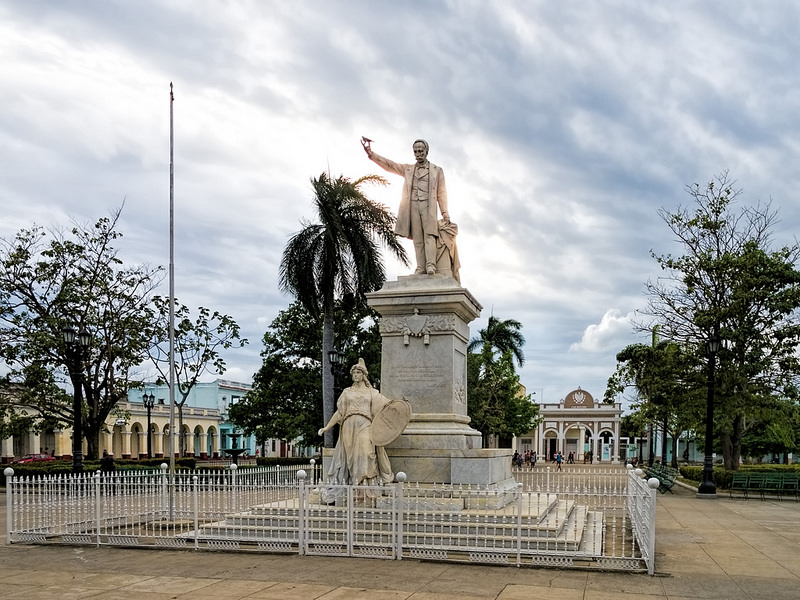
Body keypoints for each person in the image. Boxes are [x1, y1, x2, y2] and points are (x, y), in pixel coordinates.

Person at [362, 138, 450, 276]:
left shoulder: (437, 170)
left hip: (429, 206)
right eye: (415, 151)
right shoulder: (408, 169)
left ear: (426, 151)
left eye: (420, 151)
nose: (418, 153)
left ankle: (431, 265)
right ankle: (421, 267)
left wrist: (445, 212)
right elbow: (390, 165)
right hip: (413, 206)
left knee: (430, 236)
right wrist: (372, 154)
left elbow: (442, 193)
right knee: (418, 238)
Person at [318, 359, 401, 499]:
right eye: (354, 373)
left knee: (366, 453)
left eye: (358, 372)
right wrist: (327, 427)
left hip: (365, 424)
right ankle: (355, 487)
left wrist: (400, 407)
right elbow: (339, 413)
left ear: (364, 375)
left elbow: (387, 406)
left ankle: (366, 488)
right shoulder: (346, 392)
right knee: (351, 459)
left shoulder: (372, 392)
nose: (356, 375)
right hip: (348, 426)